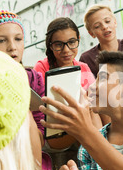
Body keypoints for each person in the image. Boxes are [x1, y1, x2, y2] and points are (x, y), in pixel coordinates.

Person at [0, 10, 52, 170]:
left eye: (18, 39)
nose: (12, 47)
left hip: (26, 151)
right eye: (2, 40)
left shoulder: (34, 78)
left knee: (26, 115)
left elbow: (40, 134)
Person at [34, 17, 102, 150]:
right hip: (56, 131)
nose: (66, 50)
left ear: (78, 40)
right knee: (87, 112)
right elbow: (41, 108)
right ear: (50, 46)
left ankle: (107, 149)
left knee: (96, 104)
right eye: (59, 44)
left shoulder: (83, 67)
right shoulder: (41, 67)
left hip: (82, 124)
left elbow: (95, 101)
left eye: (71, 42)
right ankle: (104, 152)